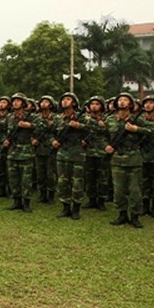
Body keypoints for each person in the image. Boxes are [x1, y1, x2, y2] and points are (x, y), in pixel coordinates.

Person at [105, 92, 154, 228]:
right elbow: (101, 135)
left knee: (135, 190)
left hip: (133, 159)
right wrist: (106, 146)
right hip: (117, 159)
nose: (122, 102)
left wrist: (136, 129)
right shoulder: (110, 120)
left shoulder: (137, 119)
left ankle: (135, 216)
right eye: (120, 99)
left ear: (131, 104)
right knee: (119, 190)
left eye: (125, 100)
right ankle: (122, 214)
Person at [51, 92, 88, 220]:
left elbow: (94, 129)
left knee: (77, 182)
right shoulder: (58, 118)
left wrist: (79, 126)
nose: (65, 101)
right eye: (63, 99)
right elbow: (50, 132)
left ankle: (76, 208)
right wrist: (53, 141)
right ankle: (65, 207)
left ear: (74, 103)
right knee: (62, 181)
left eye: (68, 99)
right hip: (62, 152)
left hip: (77, 152)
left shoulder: (81, 117)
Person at [3, 93, 41, 212]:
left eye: (18, 101)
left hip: (26, 151)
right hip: (13, 151)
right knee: (13, 178)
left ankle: (26, 203)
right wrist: (5, 140)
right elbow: (5, 131)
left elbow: (41, 127)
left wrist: (29, 125)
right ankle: (16, 201)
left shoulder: (31, 116)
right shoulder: (9, 117)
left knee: (26, 180)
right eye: (14, 101)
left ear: (23, 103)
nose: (15, 103)